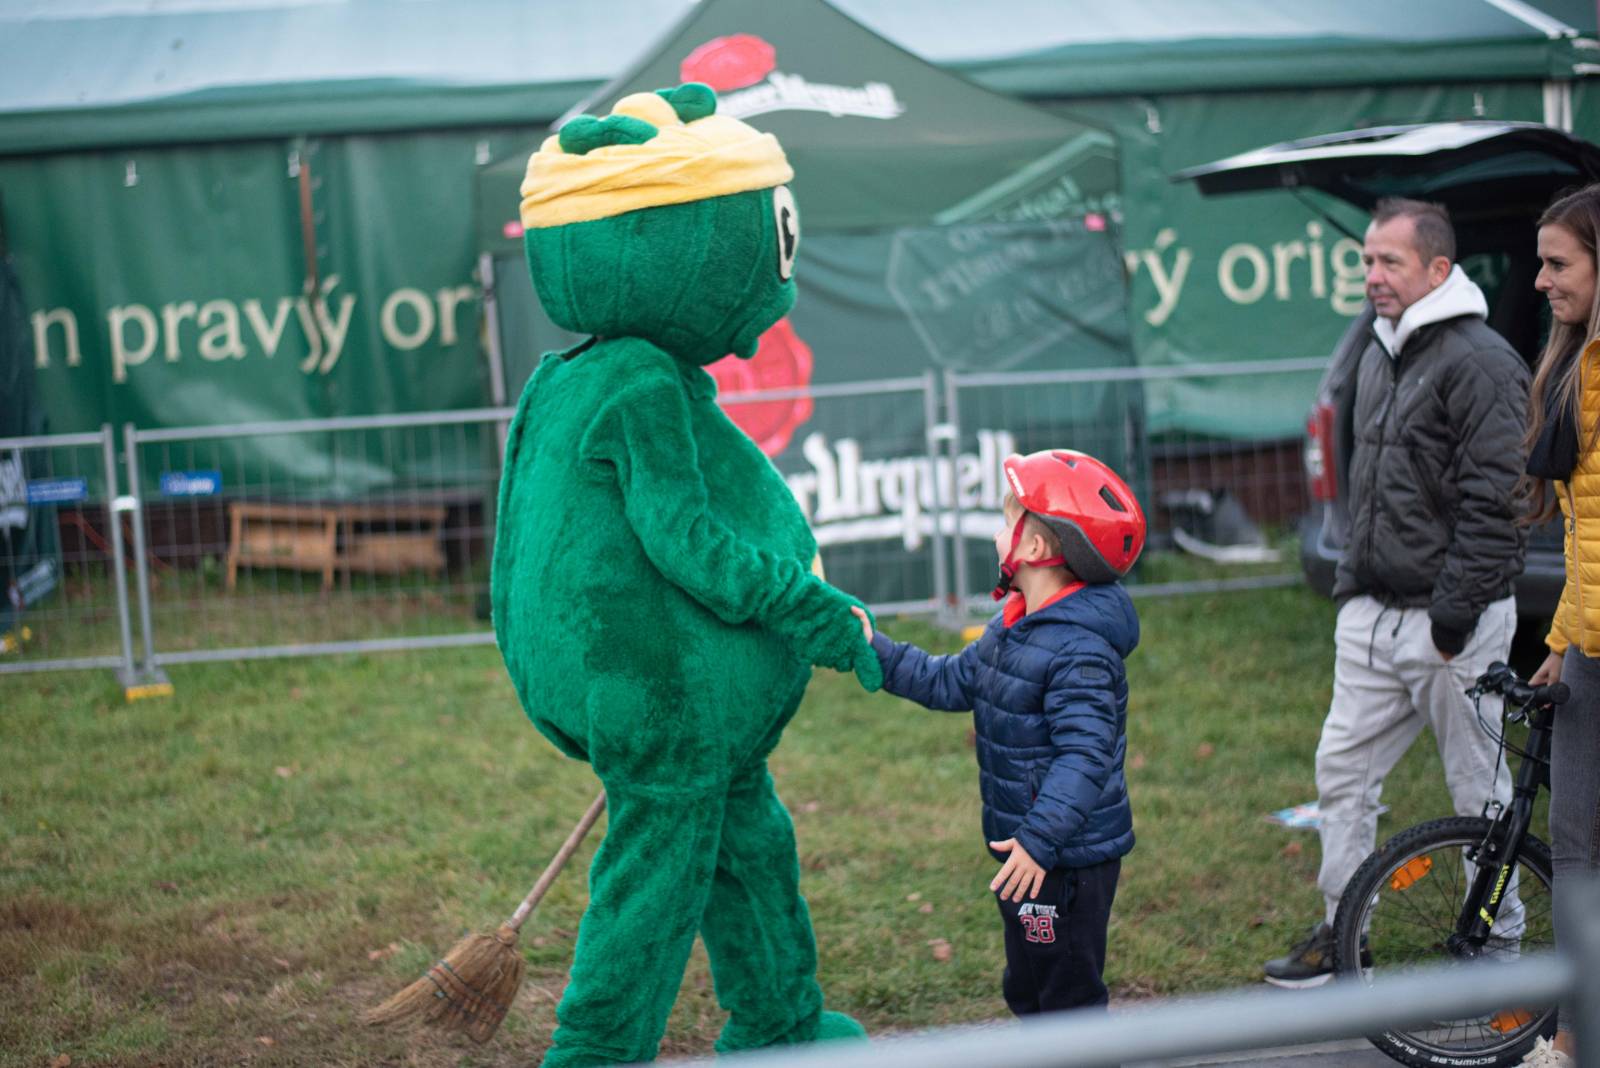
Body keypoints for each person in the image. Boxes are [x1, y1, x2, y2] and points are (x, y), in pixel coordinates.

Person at [1263, 197, 1531, 987]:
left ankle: (1504, 958)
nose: (1372, 275)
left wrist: (1452, 617)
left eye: (1390, 262)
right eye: (1367, 260)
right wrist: (1355, 591)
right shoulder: (1383, 349)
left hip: (1452, 623)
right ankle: (1346, 939)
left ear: (1438, 271)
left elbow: (1500, 502)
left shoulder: (1480, 360)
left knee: (1480, 793)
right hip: (1373, 615)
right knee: (1340, 775)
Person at [851, 449, 1144, 1016]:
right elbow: (946, 682)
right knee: (1030, 990)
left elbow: (1086, 757)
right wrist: (873, 649)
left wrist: (1039, 840)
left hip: (1063, 858)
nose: (997, 532)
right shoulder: (1012, 626)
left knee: (1068, 1000)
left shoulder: (1079, 649)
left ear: (1034, 549)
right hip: (1027, 851)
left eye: (1008, 519)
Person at [1517, 181, 1600, 1068]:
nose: (1540, 280)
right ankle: (1576, 1041)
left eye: (1557, 262)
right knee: (1575, 849)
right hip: (1587, 645)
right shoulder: (1569, 367)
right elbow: (1587, 537)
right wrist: (1557, 643)